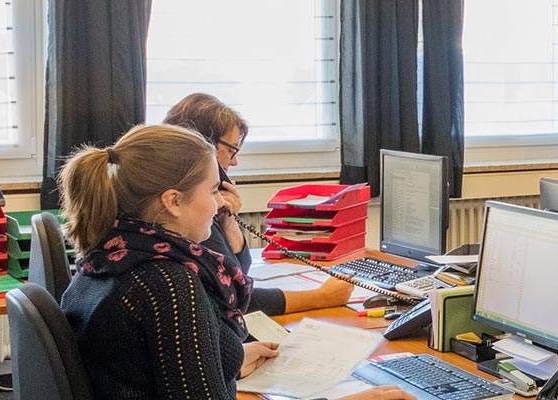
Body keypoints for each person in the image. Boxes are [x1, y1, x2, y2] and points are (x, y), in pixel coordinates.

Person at [56, 125, 407, 400]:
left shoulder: (111, 254)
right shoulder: (166, 281)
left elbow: (143, 366)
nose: (218, 204)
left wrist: (230, 360)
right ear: (173, 201)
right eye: (212, 191)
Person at [162, 93, 355, 316]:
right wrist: (322, 297)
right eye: (232, 150)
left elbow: (237, 275)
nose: (234, 162)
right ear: (204, 144)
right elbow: (235, 296)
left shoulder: (193, 201)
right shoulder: (185, 208)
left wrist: (228, 221)